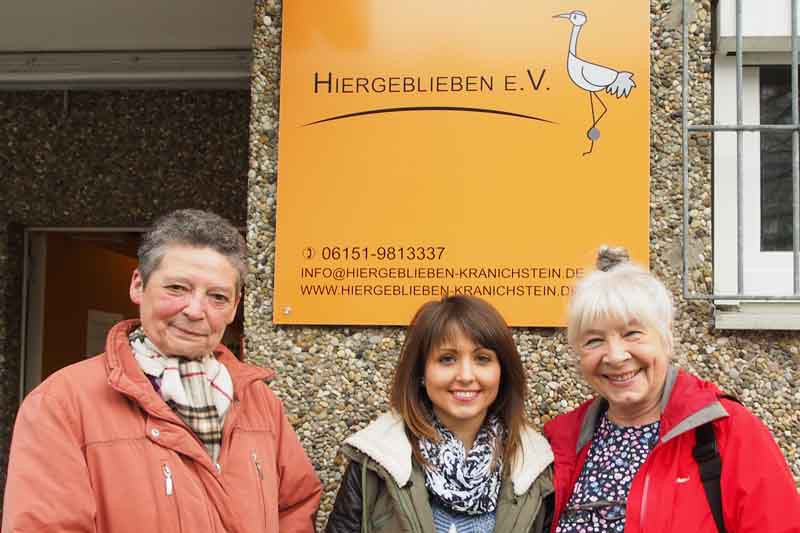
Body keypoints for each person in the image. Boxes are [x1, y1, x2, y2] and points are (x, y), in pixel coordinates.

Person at [3, 209, 322, 533]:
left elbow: (295, 507)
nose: (196, 311)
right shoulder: (62, 404)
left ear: (235, 307)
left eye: (217, 297)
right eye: (177, 288)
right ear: (139, 286)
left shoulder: (260, 402)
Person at [545, 246, 800, 533]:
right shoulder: (560, 441)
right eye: (593, 341)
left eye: (632, 334)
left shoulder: (726, 431)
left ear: (665, 338)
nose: (615, 356)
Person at [325, 295, 554, 533]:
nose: (466, 375)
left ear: (502, 372)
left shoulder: (534, 465)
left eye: (482, 359)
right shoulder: (377, 460)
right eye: (447, 359)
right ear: (421, 373)